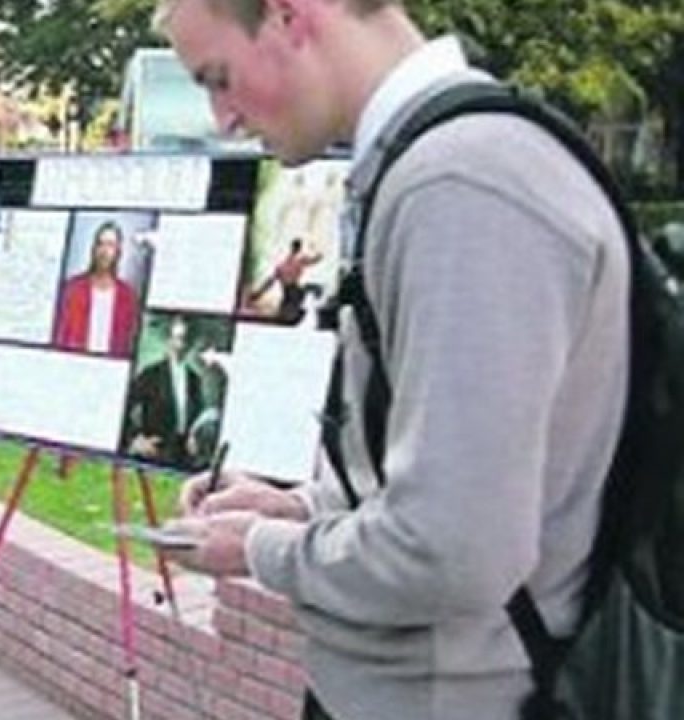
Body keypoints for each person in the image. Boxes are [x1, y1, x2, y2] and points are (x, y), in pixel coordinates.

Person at [154, 2, 629, 720]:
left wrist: (259, 545)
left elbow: (453, 549)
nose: (222, 118)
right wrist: (302, 506)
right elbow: (451, 481)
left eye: (219, 78)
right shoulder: (436, 166)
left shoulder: (462, 185)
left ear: (288, 16)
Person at [121, 314, 208, 469]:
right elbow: (122, 405)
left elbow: (199, 416)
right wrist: (135, 440)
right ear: (169, 341)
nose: (182, 345)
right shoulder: (151, 374)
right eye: (179, 338)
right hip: (155, 455)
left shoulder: (195, 379)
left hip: (184, 457)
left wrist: (196, 437)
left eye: (187, 339)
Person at [54, 221, 140, 357]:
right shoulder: (73, 289)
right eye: (100, 244)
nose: (104, 251)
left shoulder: (127, 296)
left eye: (110, 245)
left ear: (118, 251)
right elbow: (60, 337)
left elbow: (130, 343)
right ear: (93, 249)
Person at [247, 237, 324, 324]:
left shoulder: (286, 264)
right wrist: (317, 248)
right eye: (298, 248)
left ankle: (289, 311)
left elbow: (270, 282)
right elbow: (317, 259)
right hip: (292, 294)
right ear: (298, 248)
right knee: (287, 312)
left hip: (292, 294)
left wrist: (258, 294)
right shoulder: (294, 262)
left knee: (290, 309)